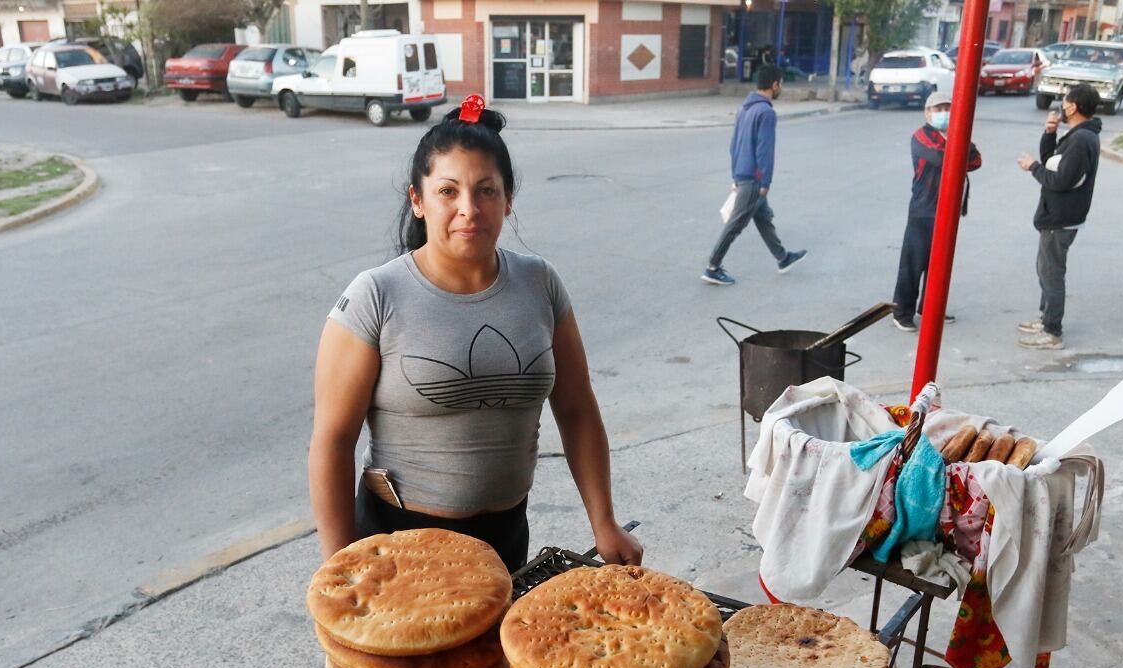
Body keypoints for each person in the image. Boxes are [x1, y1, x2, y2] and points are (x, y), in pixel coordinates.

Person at [309, 98, 643, 571]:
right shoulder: (376, 295)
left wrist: (604, 521)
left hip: (506, 541)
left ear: (508, 200)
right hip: (397, 547)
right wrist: (339, 567)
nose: (469, 209)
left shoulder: (539, 283)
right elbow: (333, 440)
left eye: (486, 190)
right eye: (448, 191)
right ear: (418, 201)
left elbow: (577, 410)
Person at [702, 64, 807, 286]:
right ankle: (713, 267)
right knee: (736, 224)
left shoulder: (744, 109)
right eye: (781, 85)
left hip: (743, 173)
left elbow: (734, 145)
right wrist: (765, 181)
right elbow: (764, 150)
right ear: (775, 85)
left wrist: (735, 176)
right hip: (753, 178)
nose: (781, 89)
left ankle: (782, 257)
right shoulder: (766, 112)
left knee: (763, 217)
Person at [1015, 83, 1102, 349]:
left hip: (1062, 218)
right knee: (1045, 270)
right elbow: (1053, 160)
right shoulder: (1077, 135)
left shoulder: (1081, 140)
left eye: (1064, 102)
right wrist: (1049, 134)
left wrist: (1033, 167)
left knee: (1052, 273)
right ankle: (1046, 318)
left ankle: (1052, 331)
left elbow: (1060, 180)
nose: (1061, 107)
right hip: (1057, 215)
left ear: (1073, 107)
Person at [891, 90, 982, 332]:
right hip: (924, 211)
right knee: (913, 263)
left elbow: (976, 161)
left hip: (949, 211)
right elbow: (942, 158)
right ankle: (902, 311)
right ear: (927, 113)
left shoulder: (956, 135)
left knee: (938, 265)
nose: (943, 113)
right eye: (938, 109)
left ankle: (930, 308)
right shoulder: (921, 136)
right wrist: (960, 143)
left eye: (947, 109)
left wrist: (959, 141)